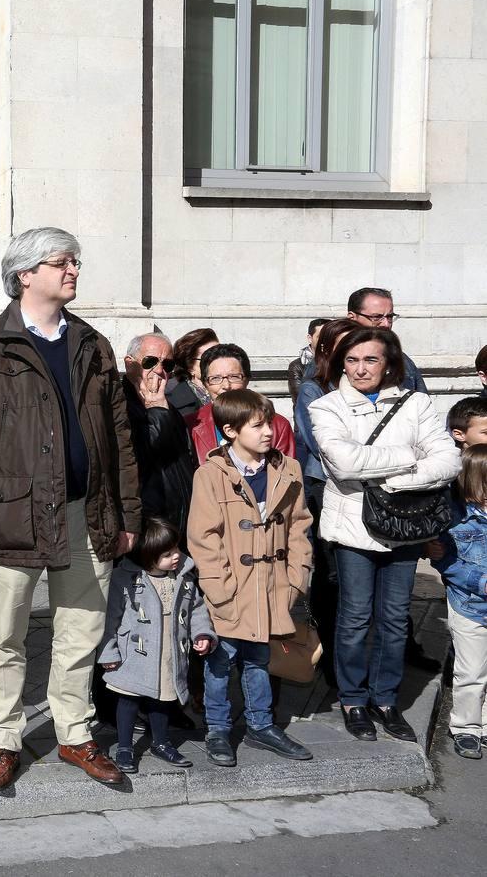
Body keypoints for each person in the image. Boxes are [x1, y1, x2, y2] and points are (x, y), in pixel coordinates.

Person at [0, 227, 140, 791]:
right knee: (3, 635)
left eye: (75, 260)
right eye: (61, 262)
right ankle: (5, 740)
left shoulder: (91, 344)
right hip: (13, 519)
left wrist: (126, 515)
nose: (73, 269)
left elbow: (119, 437)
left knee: (81, 630)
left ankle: (74, 734)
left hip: (87, 512)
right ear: (25, 273)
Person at [309, 327, 461, 744]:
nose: (360, 369)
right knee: (355, 618)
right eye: (352, 360)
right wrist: (411, 458)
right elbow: (343, 463)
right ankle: (353, 700)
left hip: (405, 527)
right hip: (352, 529)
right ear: (341, 362)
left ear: (389, 363)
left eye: (370, 360)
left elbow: (448, 461)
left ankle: (386, 699)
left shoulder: (417, 403)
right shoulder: (327, 406)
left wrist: (391, 481)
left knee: (394, 620)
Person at [188, 389, 315, 767]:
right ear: (230, 431)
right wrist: (218, 588)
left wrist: (297, 577)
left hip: (273, 585)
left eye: (269, 423)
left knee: (261, 657)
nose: (268, 432)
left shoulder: (286, 469)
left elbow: (298, 527)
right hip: (230, 589)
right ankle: (218, 729)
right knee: (220, 661)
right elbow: (203, 537)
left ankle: (261, 725)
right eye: (258, 425)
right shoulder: (210, 474)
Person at [99, 517, 215, 774]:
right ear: (147, 556)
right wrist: (108, 650)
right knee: (128, 700)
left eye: (176, 549)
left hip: (169, 653)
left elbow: (196, 609)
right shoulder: (126, 579)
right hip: (134, 653)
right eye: (167, 554)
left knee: (163, 700)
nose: (176, 557)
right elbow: (111, 617)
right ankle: (125, 747)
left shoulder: (183, 578)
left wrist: (202, 634)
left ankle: (161, 742)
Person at [293, 318, 361, 671]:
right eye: (346, 348)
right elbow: (323, 446)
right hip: (325, 486)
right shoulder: (313, 388)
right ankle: (332, 653)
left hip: (362, 487)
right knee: (330, 571)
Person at [432, 445, 487, 759]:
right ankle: (466, 727)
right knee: (471, 671)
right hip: (469, 606)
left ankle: (484, 722)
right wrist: (481, 582)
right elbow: (447, 564)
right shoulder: (456, 519)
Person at [122, 332, 195, 533]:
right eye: (150, 361)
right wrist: (156, 409)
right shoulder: (117, 404)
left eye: (168, 365)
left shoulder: (167, 405)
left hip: (179, 522)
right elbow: (149, 449)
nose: (160, 370)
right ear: (130, 364)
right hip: (148, 526)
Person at [185, 343, 296, 464]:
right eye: (216, 378)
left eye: (234, 377)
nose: (226, 386)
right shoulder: (190, 425)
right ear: (205, 383)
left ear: (247, 379)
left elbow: (285, 476)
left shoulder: (278, 426)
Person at [345, 288, 428, 393]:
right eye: (376, 317)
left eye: (389, 317)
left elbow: (421, 400)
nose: (386, 324)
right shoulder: (333, 357)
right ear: (352, 318)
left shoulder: (403, 360)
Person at [167, 328, 218, 419]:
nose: (220, 361)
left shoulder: (233, 391)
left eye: (222, 355)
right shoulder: (171, 400)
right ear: (190, 366)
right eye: (210, 358)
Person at [288, 318, 331, 402]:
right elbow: (300, 398)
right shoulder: (298, 365)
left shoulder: (339, 361)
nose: (325, 341)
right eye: (320, 337)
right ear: (310, 338)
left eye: (328, 337)